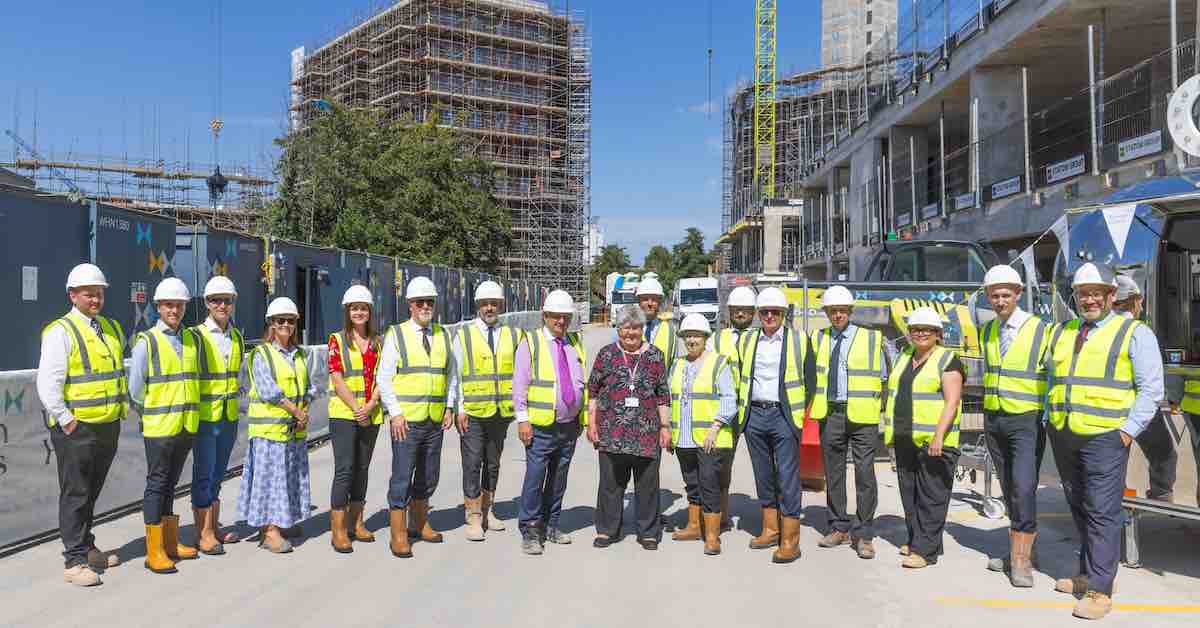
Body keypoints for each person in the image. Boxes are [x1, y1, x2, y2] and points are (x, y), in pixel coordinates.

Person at [1045, 263, 1164, 620]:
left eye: (1097, 293)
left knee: (1102, 511)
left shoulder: (1134, 332)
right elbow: (1055, 377)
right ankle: (1087, 574)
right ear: (1077, 297)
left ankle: (1100, 590)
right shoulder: (1064, 330)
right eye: (1084, 294)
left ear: (1112, 296)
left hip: (1106, 437)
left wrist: (1127, 431)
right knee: (1080, 506)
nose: (1090, 299)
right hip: (1066, 432)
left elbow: (1151, 389)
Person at [37, 263, 127, 586]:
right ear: (73, 295)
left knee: (91, 491)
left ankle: (86, 547)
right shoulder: (62, 331)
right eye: (89, 294)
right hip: (77, 428)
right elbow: (48, 383)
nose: (96, 299)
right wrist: (66, 420)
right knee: (75, 492)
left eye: (100, 293)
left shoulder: (110, 328)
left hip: (106, 424)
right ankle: (74, 561)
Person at [978, 265, 1050, 586]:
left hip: (1026, 419)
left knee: (1023, 486)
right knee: (1009, 486)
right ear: (988, 297)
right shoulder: (988, 331)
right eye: (995, 295)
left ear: (1018, 294)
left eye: (1006, 294)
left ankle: (1021, 562)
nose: (1000, 300)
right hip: (995, 418)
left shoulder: (1040, 330)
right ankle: (1020, 549)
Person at [378, 276, 457, 558]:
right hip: (406, 422)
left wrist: (449, 406)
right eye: (420, 302)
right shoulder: (396, 335)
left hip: (434, 418)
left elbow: (451, 376)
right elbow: (384, 379)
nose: (425, 306)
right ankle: (398, 534)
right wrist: (395, 413)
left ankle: (420, 523)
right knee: (402, 476)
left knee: (428, 475)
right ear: (410, 305)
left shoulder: (444, 335)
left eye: (429, 302)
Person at [737, 286, 815, 564]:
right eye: (765, 312)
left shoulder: (799, 340)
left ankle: (790, 541)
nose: (769, 316)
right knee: (763, 474)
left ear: (783, 314)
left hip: (784, 416)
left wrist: (798, 416)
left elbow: (811, 380)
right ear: (759, 314)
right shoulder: (747, 341)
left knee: (787, 476)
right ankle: (770, 528)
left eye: (775, 312)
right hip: (754, 415)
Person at [130, 277, 202, 574]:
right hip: (160, 427)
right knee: (157, 485)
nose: (175, 310)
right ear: (159, 307)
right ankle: (154, 551)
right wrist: (151, 415)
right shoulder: (147, 341)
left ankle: (170, 544)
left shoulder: (191, 338)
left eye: (180, 305)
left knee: (171, 485)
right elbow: (135, 389)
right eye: (169, 305)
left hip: (185, 424)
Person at [883, 307, 964, 570]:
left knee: (932, 496)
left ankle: (925, 551)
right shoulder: (904, 356)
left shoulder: (947, 360)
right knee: (910, 494)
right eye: (916, 329)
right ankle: (919, 539)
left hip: (934, 441)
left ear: (938, 334)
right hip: (906, 437)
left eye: (927, 330)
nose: (920, 334)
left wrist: (939, 436)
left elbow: (952, 402)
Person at [811, 285, 887, 561]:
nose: (838, 315)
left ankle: (864, 533)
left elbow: (885, 378)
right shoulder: (818, 338)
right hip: (831, 413)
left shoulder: (871, 338)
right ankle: (839, 526)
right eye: (833, 311)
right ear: (827, 313)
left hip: (863, 415)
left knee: (865, 473)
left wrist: (884, 412)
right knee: (834, 473)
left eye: (842, 310)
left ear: (850, 312)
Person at [587, 304, 671, 551]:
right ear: (619, 329)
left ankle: (648, 532)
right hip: (611, 431)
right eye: (626, 328)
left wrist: (665, 426)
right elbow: (593, 390)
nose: (631, 333)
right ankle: (607, 530)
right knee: (610, 484)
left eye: (636, 328)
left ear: (643, 329)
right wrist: (591, 423)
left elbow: (663, 395)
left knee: (647, 485)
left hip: (647, 432)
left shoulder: (655, 355)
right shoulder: (606, 354)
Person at [238, 297, 315, 555]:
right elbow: (269, 390)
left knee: (290, 478)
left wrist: (304, 408)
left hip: (293, 429)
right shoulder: (261, 354)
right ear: (271, 323)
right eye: (280, 321)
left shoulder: (300, 354)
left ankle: (283, 519)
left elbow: (309, 387)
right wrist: (295, 410)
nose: (285, 325)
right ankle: (269, 530)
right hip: (269, 432)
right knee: (271, 481)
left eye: (290, 321)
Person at [513, 289, 587, 555]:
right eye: (556, 317)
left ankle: (552, 525)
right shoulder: (531, 342)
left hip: (568, 425)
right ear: (545, 316)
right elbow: (520, 385)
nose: (561, 322)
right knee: (535, 478)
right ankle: (531, 529)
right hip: (540, 426)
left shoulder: (574, 342)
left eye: (565, 317)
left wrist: (583, 418)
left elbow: (582, 382)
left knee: (558, 479)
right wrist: (523, 420)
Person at [453, 280, 521, 541]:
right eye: (485, 304)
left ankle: (488, 509)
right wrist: (459, 407)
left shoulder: (512, 335)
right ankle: (473, 516)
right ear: (478, 306)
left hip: (500, 411)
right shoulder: (464, 335)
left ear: (500, 305)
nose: (490, 307)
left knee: (492, 463)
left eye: (494, 303)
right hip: (471, 410)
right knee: (472, 463)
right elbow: (455, 375)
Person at [670, 313, 737, 556]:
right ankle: (693, 526)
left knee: (709, 484)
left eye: (696, 335)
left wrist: (715, 427)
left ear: (706, 337)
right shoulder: (677, 364)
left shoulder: (719, 363)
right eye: (687, 336)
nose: (691, 340)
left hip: (709, 437)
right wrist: (668, 429)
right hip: (684, 436)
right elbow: (670, 398)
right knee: (692, 484)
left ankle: (712, 536)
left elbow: (729, 398)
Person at [189, 275, 245, 557]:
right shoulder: (196, 336)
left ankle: (213, 526)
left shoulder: (236, 336)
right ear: (207, 303)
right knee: (204, 473)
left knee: (218, 474)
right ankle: (204, 533)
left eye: (227, 300)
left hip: (228, 415)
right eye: (216, 300)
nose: (222, 305)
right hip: (205, 417)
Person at [327, 284, 384, 553]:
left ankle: (356, 522)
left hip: (371, 414)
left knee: (362, 469)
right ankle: (338, 530)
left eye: (363, 308)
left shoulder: (378, 342)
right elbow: (337, 378)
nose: (359, 312)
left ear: (370, 311)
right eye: (354, 308)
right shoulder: (336, 340)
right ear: (347, 312)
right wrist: (357, 408)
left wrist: (371, 404)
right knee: (345, 469)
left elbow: (384, 377)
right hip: (344, 415)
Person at [1114, 274, 1178, 502]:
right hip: (1136, 408)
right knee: (1164, 454)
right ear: (1136, 301)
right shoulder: (1138, 331)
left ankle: (1112, 503)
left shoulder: (1100, 329)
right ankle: (1161, 497)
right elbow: (1151, 386)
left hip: (1107, 409)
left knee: (1114, 464)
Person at [707, 285, 756, 532]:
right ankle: (720, 514)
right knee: (721, 462)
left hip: (755, 409)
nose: (740, 313)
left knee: (764, 464)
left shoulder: (761, 336)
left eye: (745, 310)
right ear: (729, 311)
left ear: (753, 311)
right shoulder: (717, 339)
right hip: (728, 410)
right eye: (736, 309)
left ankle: (770, 518)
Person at [637, 276, 679, 364]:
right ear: (638, 301)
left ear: (660, 301)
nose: (650, 303)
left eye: (654, 299)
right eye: (645, 299)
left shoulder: (670, 330)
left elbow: (674, 362)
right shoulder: (629, 328)